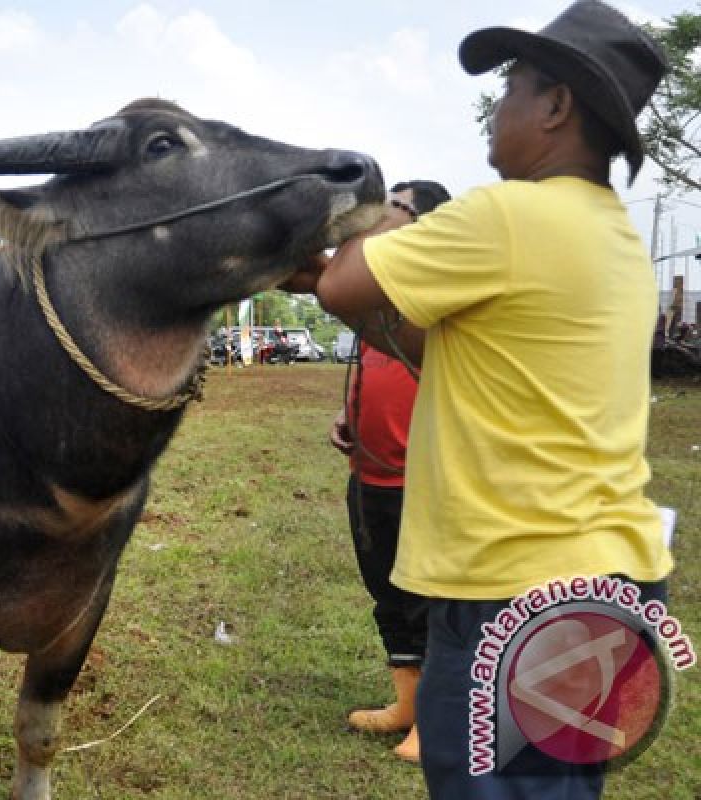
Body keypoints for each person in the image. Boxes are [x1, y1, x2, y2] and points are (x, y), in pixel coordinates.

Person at [285, 2, 672, 796]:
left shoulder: (506, 214)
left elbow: (345, 284)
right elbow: (438, 349)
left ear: (556, 107)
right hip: (600, 580)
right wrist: (352, 290)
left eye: (509, 92)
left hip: (511, 585)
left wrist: (366, 213)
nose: (495, 116)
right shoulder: (611, 236)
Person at [332, 180, 448, 765]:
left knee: (427, 600)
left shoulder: (437, 300)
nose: (381, 218)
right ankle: (405, 705)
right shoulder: (377, 299)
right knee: (387, 594)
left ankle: (435, 720)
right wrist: (346, 416)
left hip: (423, 483)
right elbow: (373, 373)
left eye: (396, 207)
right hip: (368, 477)